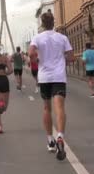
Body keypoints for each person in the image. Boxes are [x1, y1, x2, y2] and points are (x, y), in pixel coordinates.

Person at [29, 12, 74, 161]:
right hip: (59, 76)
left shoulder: (37, 38)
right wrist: (63, 62)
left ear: (42, 24)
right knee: (60, 107)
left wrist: (37, 60)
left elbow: (31, 54)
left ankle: (50, 140)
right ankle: (60, 136)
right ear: (54, 22)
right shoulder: (62, 38)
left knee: (47, 108)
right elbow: (71, 57)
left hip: (45, 77)